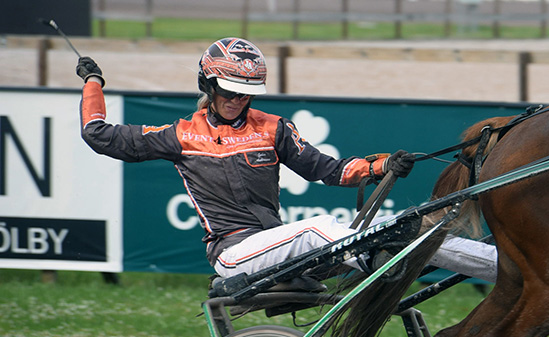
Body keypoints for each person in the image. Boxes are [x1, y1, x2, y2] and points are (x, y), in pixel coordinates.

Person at [76, 37, 496, 283]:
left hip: (282, 249)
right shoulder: (181, 135)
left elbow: (329, 171)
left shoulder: (274, 127)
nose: (237, 101)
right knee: (317, 227)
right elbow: (97, 135)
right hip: (234, 254)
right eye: (228, 91)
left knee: (410, 227)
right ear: (208, 83)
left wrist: (379, 166)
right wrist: (94, 82)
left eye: (246, 94)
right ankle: (376, 259)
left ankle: (502, 265)